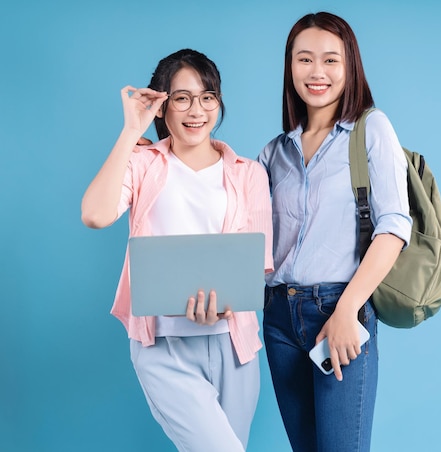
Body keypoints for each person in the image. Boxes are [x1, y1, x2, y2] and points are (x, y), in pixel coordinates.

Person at [81, 49, 273, 451]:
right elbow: (95, 215)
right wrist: (131, 130)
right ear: (161, 105)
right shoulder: (142, 163)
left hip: (234, 347)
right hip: (163, 347)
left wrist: (228, 301)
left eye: (207, 97)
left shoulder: (248, 172)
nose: (196, 110)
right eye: (182, 98)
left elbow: (259, 264)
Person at [258, 12, 412, 452]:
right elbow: (228, 205)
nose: (317, 72)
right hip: (279, 320)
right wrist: (156, 148)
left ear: (350, 67)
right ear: (290, 67)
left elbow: (394, 227)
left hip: (339, 309)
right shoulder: (275, 152)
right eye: (304, 59)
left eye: (331, 60)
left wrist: (347, 310)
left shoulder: (370, 130)